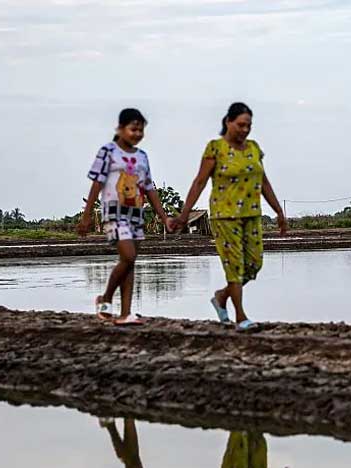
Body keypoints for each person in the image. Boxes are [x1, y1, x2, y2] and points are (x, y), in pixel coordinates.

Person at [174, 102, 288, 332]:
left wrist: (278, 211)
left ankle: (222, 296)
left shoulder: (254, 148)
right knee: (234, 266)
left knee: (253, 264)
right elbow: (199, 181)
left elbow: (263, 181)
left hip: (251, 214)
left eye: (249, 125)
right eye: (240, 125)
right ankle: (240, 317)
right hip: (224, 216)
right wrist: (185, 214)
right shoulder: (215, 148)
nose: (245, 129)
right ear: (228, 122)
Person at [78, 108, 172, 326]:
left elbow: (149, 188)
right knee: (128, 257)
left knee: (129, 262)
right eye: (133, 128)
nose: (137, 133)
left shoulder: (142, 157)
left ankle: (126, 313)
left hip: (136, 214)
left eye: (141, 129)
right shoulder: (108, 152)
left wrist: (164, 217)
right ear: (120, 129)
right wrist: (86, 216)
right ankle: (106, 298)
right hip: (114, 214)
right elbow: (97, 183)